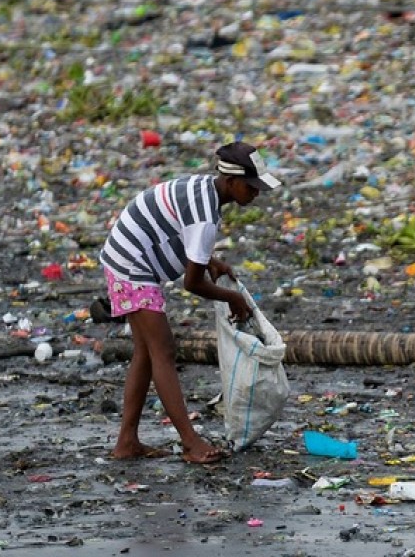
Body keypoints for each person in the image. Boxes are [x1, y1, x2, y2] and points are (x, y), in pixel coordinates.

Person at [98, 141, 281, 463]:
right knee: (163, 351)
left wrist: (208, 260)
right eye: (251, 187)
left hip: (127, 257)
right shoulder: (206, 218)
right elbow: (192, 284)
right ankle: (190, 442)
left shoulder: (203, 188)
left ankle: (127, 443)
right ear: (230, 182)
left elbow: (179, 230)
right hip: (131, 266)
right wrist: (232, 297)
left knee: (146, 352)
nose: (256, 194)